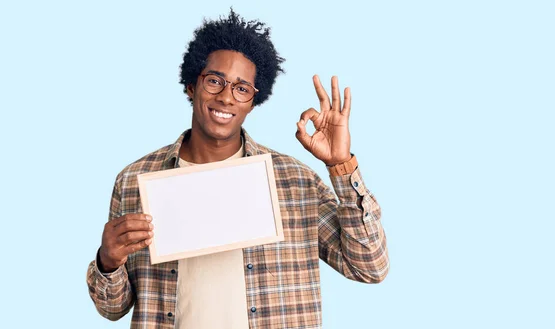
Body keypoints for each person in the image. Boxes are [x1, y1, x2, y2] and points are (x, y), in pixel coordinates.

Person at [86, 9, 388, 329]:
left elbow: (369, 267)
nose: (227, 97)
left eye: (242, 88)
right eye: (215, 80)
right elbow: (113, 309)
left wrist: (341, 165)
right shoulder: (135, 181)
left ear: (253, 101)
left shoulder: (296, 183)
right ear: (192, 85)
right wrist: (108, 261)